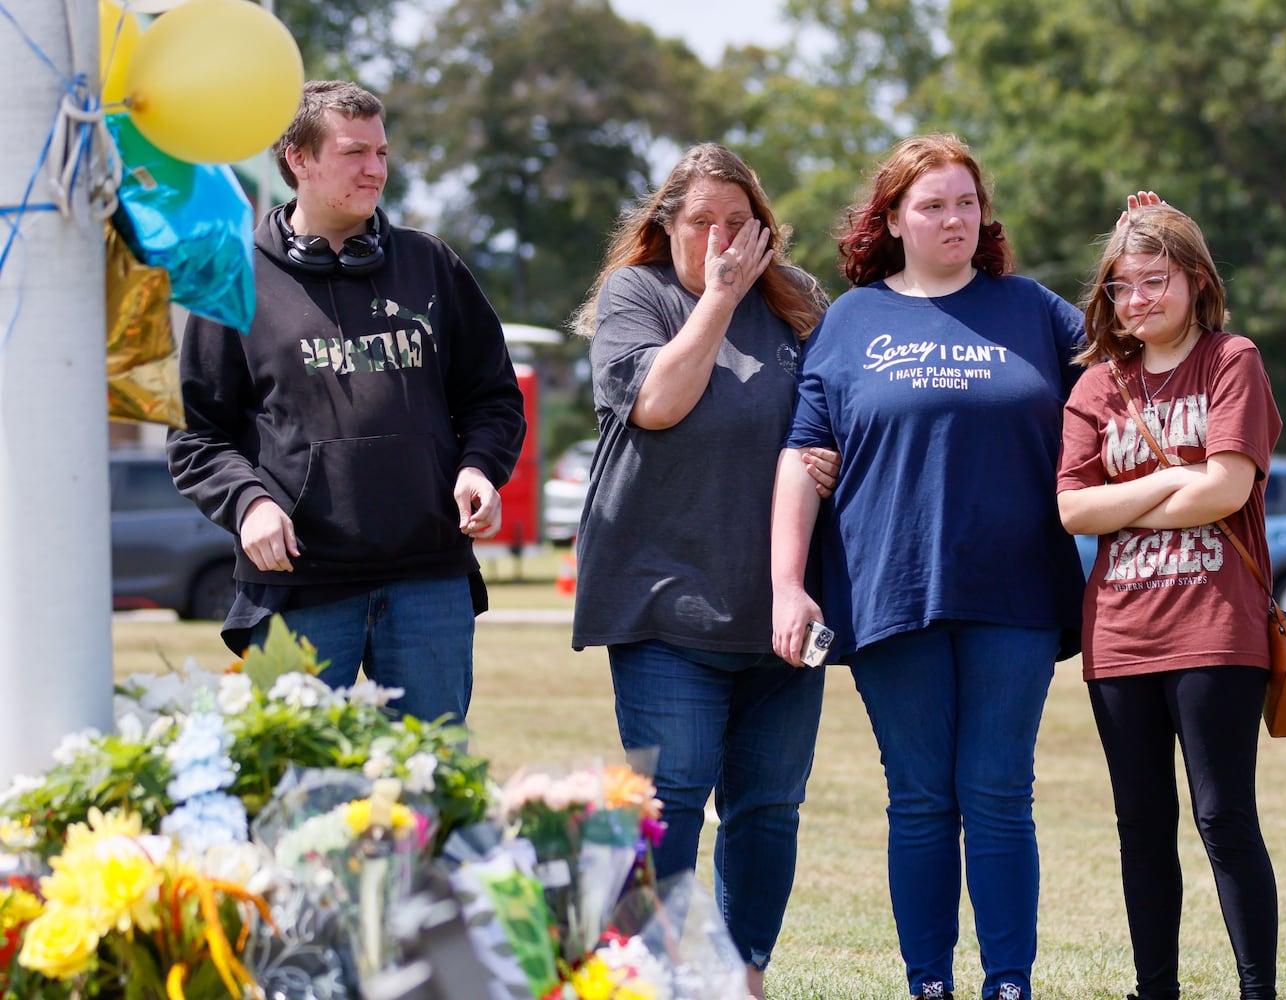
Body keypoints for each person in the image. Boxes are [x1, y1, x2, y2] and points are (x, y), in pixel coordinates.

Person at [769, 133, 1087, 1000]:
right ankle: (928, 984)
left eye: (965, 202)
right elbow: (805, 455)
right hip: (887, 588)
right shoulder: (850, 320)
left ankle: (1009, 983)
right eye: (932, 205)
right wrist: (787, 583)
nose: (953, 218)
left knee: (996, 790)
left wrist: (1153, 234)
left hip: (1016, 590)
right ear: (895, 221)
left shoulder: (1035, 310)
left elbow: (1133, 344)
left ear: (984, 214)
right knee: (917, 798)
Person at [568, 142, 838, 1000]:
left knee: (767, 807)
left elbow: (841, 413)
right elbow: (657, 403)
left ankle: (743, 974)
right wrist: (719, 296)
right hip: (663, 602)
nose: (720, 240)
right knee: (672, 795)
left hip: (781, 609)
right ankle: (647, 975)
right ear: (665, 226)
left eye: (738, 224)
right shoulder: (635, 295)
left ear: (764, 230)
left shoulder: (799, 309)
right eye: (701, 223)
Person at [167, 80, 526, 724]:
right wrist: (249, 504)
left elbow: (492, 397)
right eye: (355, 152)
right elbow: (196, 436)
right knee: (299, 794)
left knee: (431, 787)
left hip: (429, 578)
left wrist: (479, 467)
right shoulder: (232, 279)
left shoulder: (432, 264)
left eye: (382, 153)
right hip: (299, 586)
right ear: (298, 160)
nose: (376, 169)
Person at [1055, 196, 1283, 1000]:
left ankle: (1259, 991)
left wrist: (1143, 494)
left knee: (1223, 820)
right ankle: (1156, 991)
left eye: (1155, 281)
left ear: (1194, 281)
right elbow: (1073, 509)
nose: (1138, 300)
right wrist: (1168, 479)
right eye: (1122, 286)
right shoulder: (1095, 387)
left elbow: (1225, 489)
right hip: (1118, 636)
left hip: (1216, 630)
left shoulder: (1231, 361)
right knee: (1142, 829)